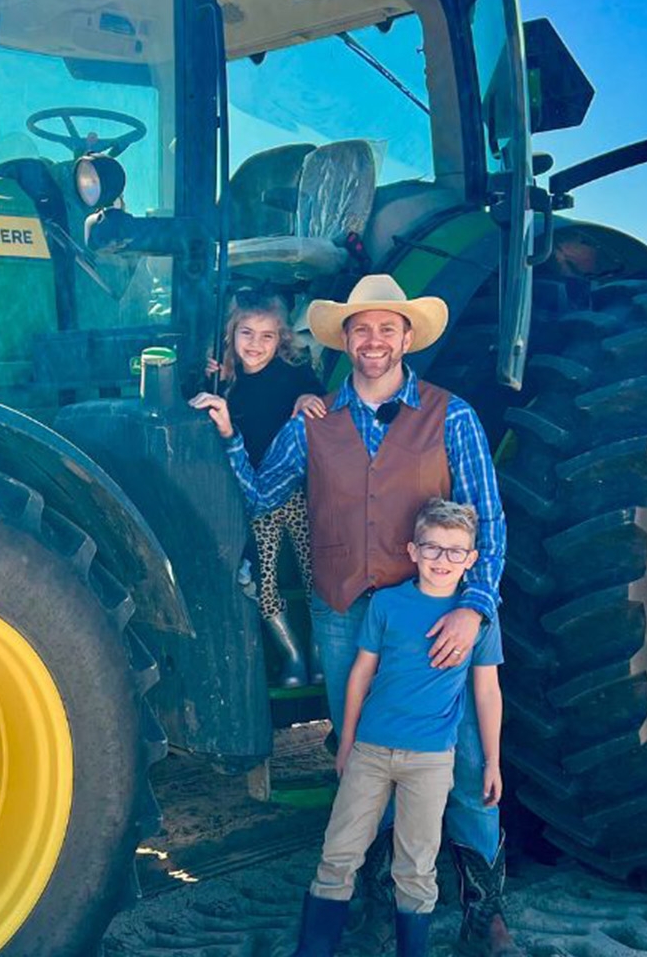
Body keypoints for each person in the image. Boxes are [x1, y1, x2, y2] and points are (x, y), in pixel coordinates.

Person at [192, 273, 521, 956]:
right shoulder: (314, 423)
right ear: (346, 340)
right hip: (344, 614)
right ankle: (381, 894)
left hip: (432, 616)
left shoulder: (450, 415)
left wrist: (474, 608)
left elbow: (487, 518)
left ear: (406, 338)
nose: (373, 341)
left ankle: (482, 907)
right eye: (361, 329)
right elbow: (261, 497)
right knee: (366, 760)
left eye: (386, 328)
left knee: (458, 756)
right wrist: (226, 432)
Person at [292, 499, 503, 957]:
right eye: (432, 548)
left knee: (416, 868)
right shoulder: (387, 604)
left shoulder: (478, 622)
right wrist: (345, 740)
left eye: (455, 551)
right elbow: (361, 674)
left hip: (429, 762)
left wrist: (492, 762)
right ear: (412, 550)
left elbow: (487, 693)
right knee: (339, 853)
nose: (442, 559)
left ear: (470, 559)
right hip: (370, 751)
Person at [197, 290, 326, 687]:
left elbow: (316, 394)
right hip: (254, 499)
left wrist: (310, 396)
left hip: (296, 491)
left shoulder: (292, 374)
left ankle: (322, 653)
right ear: (231, 336)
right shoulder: (223, 382)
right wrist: (206, 376)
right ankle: (293, 659)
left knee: (316, 572)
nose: (256, 344)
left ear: (281, 340)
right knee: (263, 580)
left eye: (267, 336)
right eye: (247, 334)